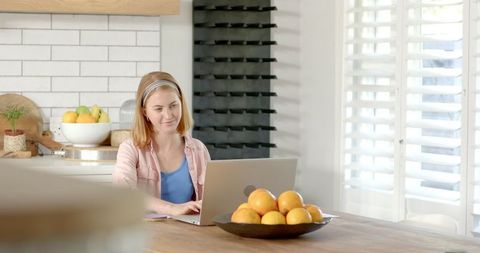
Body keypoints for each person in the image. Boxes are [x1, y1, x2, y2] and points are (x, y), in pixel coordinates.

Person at [113, 71, 211, 216]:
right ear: (144, 112)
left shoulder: (199, 149)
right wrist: (173, 209)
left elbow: (209, 202)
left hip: (188, 234)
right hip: (145, 234)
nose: (168, 115)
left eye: (173, 105)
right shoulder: (130, 149)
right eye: (159, 109)